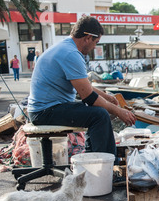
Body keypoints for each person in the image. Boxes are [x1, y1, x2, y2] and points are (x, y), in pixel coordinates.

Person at [27, 15, 136, 161]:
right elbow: (89, 98)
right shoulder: (71, 54)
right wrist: (118, 111)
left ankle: (92, 160)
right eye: (95, 42)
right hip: (44, 112)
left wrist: (106, 97)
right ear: (88, 37)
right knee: (99, 115)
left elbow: (84, 86)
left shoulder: (65, 47)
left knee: (99, 112)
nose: (94, 47)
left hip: (45, 109)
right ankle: (106, 164)